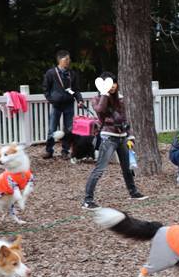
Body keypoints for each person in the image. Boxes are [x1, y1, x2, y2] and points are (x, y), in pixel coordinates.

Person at [82, 72, 145, 209]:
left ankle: (133, 192)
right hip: (108, 137)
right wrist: (105, 94)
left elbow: (125, 119)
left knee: (126, 167)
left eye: (114, 83)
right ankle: (87, 200)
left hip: (122, 137)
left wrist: (130, 135)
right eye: (109, 84)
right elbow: (100, 110)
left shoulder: (121, 99)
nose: (112, 86)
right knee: (99, 169)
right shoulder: (97, 99)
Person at [42, 50, 83, 160]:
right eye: (66, 59)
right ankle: (49, 150)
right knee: (52, 128)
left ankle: (65, 151)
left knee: (69, 129)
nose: (68, 61)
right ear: (60, 60)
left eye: (69, 59)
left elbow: (76, 90)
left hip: (69, 104)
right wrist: (51, 99)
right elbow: (46, 89)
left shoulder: (72, 74)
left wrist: (79, 100)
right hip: (56, 105)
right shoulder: (51, 73)